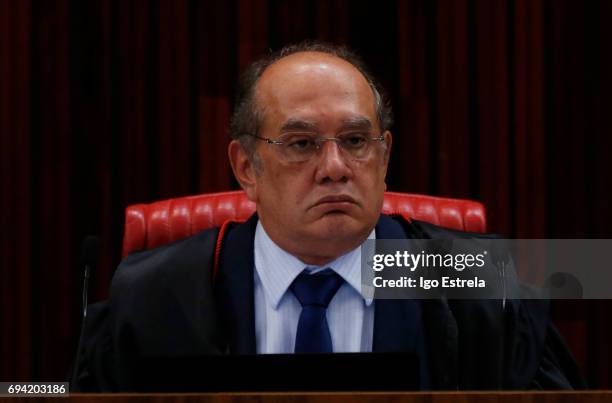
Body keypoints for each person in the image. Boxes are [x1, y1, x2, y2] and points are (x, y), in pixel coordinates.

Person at [73, 42, 585, 391]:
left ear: (384, 158)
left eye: (357, 142)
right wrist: (19, 388)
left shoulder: (465, 276)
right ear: (246, 167)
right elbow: (55, 391)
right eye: (301, 144)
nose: (335, 168)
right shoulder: (159, 290)